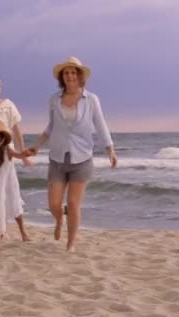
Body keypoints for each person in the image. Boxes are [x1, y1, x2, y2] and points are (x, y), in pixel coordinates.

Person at [25, 56, 118, 252]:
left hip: (82, 157)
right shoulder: (54, 99)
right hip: (58, 157)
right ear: (62, 77)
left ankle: (71, 243)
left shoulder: (91, 100)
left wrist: (110, 150)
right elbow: (50, 127)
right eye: (66, 73)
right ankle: (59, 220)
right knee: (54, 204)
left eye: (73, 72)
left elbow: (100, 126)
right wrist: (36, 146)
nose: (70, 76)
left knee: (74, 203)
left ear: (80, 75)